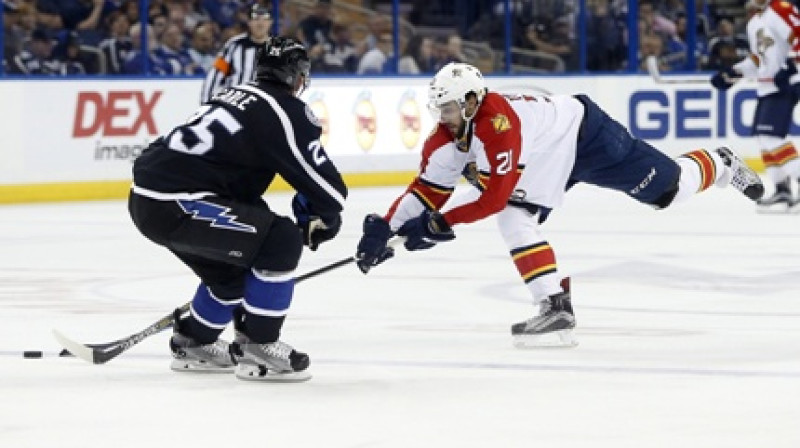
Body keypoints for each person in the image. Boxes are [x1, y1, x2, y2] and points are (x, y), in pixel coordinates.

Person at [355, 62, 763, 348]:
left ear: (472, 101)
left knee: (669, 191)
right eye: (439, 108)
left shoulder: (499, 125)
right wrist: (384, 228)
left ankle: (720, 163)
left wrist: (440, 223)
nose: (442, 116)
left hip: (585, 136)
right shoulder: (445, 138)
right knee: (516, 220)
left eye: (449, 107)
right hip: (543, 159)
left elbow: (492, 196)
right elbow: (427, 191)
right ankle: (553, 305)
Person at [128, 37, 347, 381]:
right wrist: (324, 216)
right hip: (180, 203)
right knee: (281, 240)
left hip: (148, 199)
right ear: (298, 77)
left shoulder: (233, 95)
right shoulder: (285, 109)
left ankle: (195, 342)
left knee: (231, 277)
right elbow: (330, 190)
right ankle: (260, 347)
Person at [711, 0, 800, 212]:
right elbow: (759, 59)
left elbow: (798, 35)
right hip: (768, 87)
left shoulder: (780, 8)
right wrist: (733, 73)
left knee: (771, 138)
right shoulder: (754, 22)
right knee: (763, 139)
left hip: (786, 84)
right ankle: (782, 189)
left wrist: (793, 69)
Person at [200, 2, 272, 103]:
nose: (260, 23)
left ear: (270, 22)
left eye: (264, 19)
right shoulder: (234, 46)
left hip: (266, 108)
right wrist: (205, 103)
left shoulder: (279, 48)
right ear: (249, 22)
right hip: (235, 106)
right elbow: (216, 74)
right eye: (255, 19)